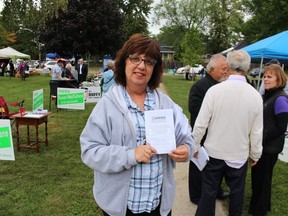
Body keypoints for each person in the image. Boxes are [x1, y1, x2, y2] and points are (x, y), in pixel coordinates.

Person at [80, 33, 194, 216]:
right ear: (124, 62)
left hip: (158, 206)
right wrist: (130, 154)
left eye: (149, 61)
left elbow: (187, 138)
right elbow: (90, 151)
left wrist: (186, 149)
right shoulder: (107, 105)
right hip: (121, 209)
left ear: (154, 68)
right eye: (135, 58)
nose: (141, 65)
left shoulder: (165, 104)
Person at [193, 50, 263, 216]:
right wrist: (255, 154)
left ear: (228, 66)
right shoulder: (255, 96)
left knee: (208, 192)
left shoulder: (215, 91)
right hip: (237, 154)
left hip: (214, 152)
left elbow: (201, 124)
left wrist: (195, 145)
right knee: (237, 194)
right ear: (247, 68)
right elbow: (257, 131)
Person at [188, 54, 229, 205]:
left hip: (218, 134)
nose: (226, 72)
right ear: (212, 69)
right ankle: (196, 196)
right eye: (224, 69)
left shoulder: (224, 87)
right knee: (198, 166)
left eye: (227, 69)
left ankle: (216, 191)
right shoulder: (199, 87)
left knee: (217, 166)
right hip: (203, 135)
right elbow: (193, 108)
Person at [249, 64, 288, 216]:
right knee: (258, 178)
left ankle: (260, 210)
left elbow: (281, 127)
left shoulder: (280, 99)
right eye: (264, 76)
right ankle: (258, 205)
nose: (265, 79)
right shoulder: (269, 95)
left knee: (263, 180)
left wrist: (260, 140)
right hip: (263, 145)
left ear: (279, 80)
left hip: (269, 147)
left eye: (269, 76)